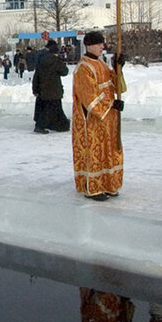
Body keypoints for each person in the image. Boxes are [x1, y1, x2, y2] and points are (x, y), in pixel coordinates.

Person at [72, 31, 124, 200]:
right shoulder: (83, 67)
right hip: (93, 119)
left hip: (108, 118)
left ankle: (108, 184)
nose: (103, 46)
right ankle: (92, 187)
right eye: (99, 43)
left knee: (107, 151)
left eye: (103, 43)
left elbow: (114, 85)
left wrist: (118, 67)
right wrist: (111, 104)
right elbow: (89, 96)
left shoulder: (101, 64)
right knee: (94, 151)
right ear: (90, 45)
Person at [32, 39, 70, 133]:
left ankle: (61, 124)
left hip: (43, 90)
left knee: (52, 109)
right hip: (54, 90)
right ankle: (41, 126)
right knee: (51, 109)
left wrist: (35, 89)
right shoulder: (56, 61)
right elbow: (65, 72)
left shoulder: (41, 60)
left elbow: (36, 76)